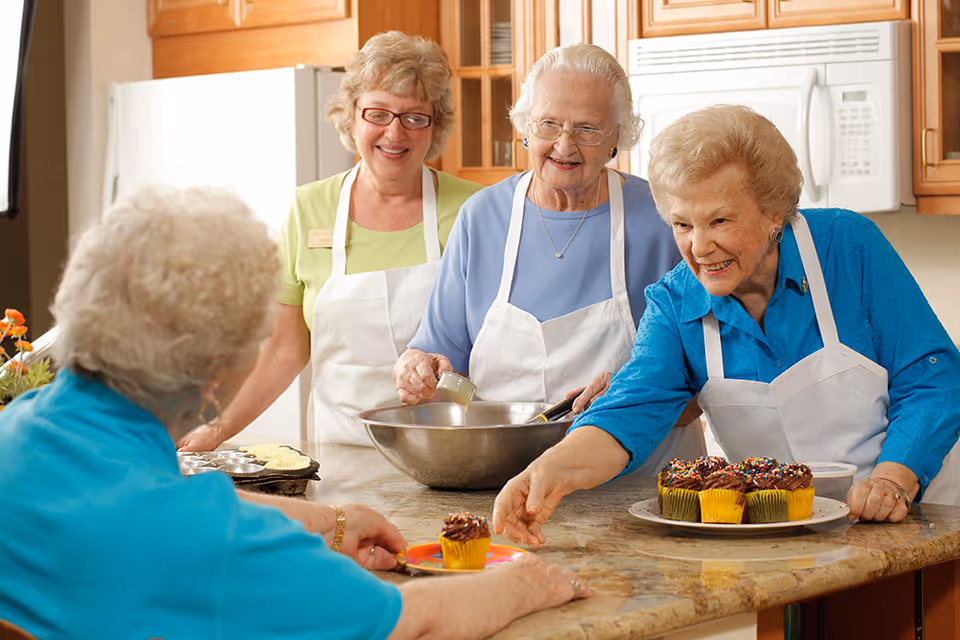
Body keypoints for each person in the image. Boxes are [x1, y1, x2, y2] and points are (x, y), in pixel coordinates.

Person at [0, 187, 588, 640]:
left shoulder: (21, 429)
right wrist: (523, 585)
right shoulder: (209, 540)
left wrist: (329, 522)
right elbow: (411, 620)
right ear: (213, 375)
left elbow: (164, 489)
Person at [492, 104, 960, 546]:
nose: (699, 247)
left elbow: (931, 377)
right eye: (681, 225)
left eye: (719, 220)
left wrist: (892, 479)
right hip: (786, 539)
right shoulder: (676, 303)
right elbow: (628, 411)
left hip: (926, 514)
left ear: (774, 212)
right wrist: (546, 472)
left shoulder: (847, 247)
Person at [392, 44, 705, 473]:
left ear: (618, 136)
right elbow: (439, 355)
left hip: (642, 491)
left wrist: (634, 395)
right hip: (503, 482)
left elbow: (707, 384)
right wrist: (417, 367)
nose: (564, 145)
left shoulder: (664, 220)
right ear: (524, 127)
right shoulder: (482, 217)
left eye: (588, 129)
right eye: (548, 124)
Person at [177, 31, 482, 451]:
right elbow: (285, 351)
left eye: (414, 117)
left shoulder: (473, 209)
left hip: (447, 455)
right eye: (378, 114)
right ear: (351, 116)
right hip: (338, 454)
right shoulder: (308, 209)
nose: (395, 134)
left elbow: (492, 347)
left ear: (435, 125)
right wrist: (215, 431)